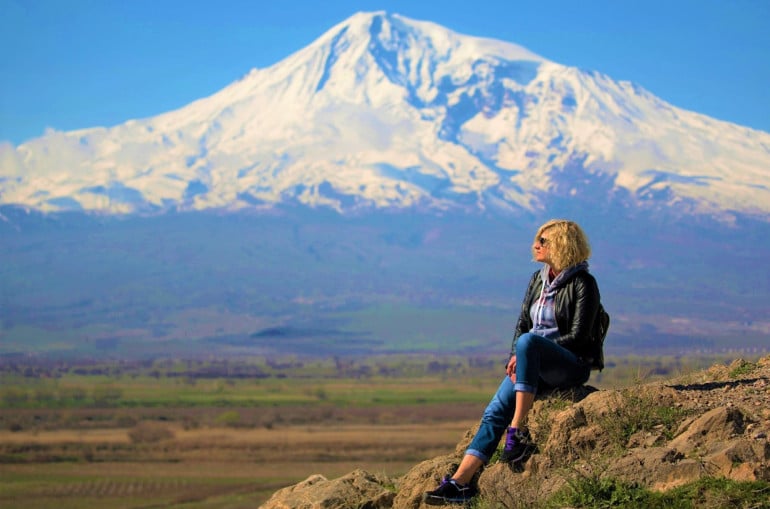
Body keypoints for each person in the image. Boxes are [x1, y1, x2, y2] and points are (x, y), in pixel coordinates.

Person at [424, 219, 604, 506]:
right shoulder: (538, 279)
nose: (536, 245)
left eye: (543, 241)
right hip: (532, 362)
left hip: (570, 364)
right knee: (495, 410)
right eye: (537, 239)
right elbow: (522, 323)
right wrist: (515, 356)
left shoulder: (584, 284)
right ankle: (460, 483)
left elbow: (579, 337)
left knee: (529, 342)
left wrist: (527, 351)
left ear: (561, 245)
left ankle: (517, 432)